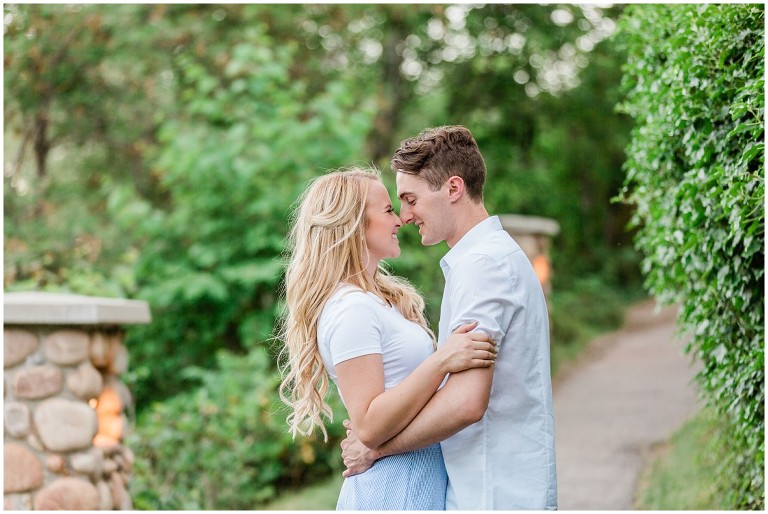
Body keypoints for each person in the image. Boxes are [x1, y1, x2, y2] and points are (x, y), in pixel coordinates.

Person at [340, 126, 558, 510]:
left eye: (411, 199)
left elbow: (466, 402)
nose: (405, 216)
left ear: (453, 188)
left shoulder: (482, 266)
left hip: (494, 493)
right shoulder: (486, 258)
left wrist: (378, 448)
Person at [278, 167, 497, 510]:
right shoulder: (350, 309)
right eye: (388, 210)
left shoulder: (379, 301)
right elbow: (368, 424)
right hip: (393, 490)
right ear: (353, 224)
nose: (400, 220)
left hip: (415, 481)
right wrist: (442, 361)